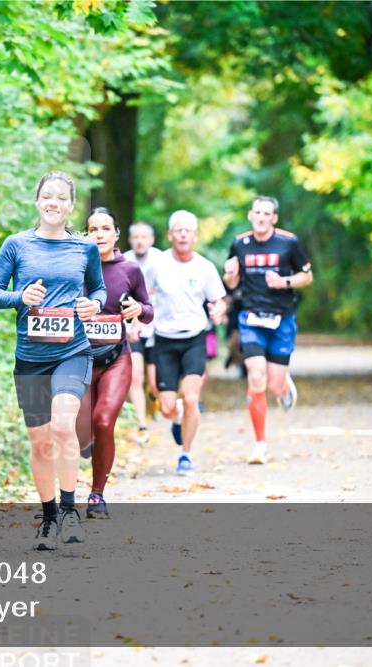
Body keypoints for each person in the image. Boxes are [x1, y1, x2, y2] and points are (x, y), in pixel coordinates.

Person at [0, 171, 107, 550]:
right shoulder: (16, 245)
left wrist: (95, 304)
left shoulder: (84, 247)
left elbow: (99, 287)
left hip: (72, 350)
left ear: (71, 206)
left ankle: (71, 512)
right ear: (37, 201)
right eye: (47, 196)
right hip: (30, 356)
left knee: (62, 427)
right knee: (40, 443)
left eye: (61, 198)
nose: (54, 203)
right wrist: (21, 297)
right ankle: (49, 516)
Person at [223, 196, 313, 465]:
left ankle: (283, 384)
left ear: (274, 218)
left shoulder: (289, 242)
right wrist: (229, 275)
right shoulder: (240, 244)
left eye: (267, 214)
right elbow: (232, 281)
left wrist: (284, 281)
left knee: (273, 385)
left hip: (282, 320)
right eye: (257, 213)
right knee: (256, 377)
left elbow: (307, 276)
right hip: (251, 319)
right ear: (251, 216)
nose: (261, 217)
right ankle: (260, 444)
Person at [76, 207, 153, 518]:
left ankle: (97, 495)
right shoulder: (76, 267)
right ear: (85, 235)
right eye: (93, 229)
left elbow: (148, 309)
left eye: (106, 228)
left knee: (104, 420)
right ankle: (88, 443)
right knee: (83, 432)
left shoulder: (130, 270)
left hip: (116, 359)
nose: (99, 235)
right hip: (78, 358)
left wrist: (138, 310)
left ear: (116, 235)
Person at [147, 210, 226, 476]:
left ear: (194, 236)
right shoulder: (157, 265)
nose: (182, 234)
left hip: (194, 338)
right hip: (164, 340)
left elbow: (219, 300)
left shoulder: (204, 267)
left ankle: (186, 455)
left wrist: (218, 310)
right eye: (177, 230)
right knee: (167, 406)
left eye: (187, 230)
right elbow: (141, 295)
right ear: (170, 235)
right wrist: (137, 319)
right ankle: (177, 417)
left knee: (191, 397)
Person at [122, 222, 165, 444]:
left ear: (151, 239)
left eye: (144, 237)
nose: (139, 241)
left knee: (156, 383)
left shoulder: (162, 260)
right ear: (130, 240)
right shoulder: (124, 261)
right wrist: (131, 323)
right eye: (135, 237)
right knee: (135, 375)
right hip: (133, 327)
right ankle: (142, 424)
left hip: (159, 328)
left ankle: (155, 400)